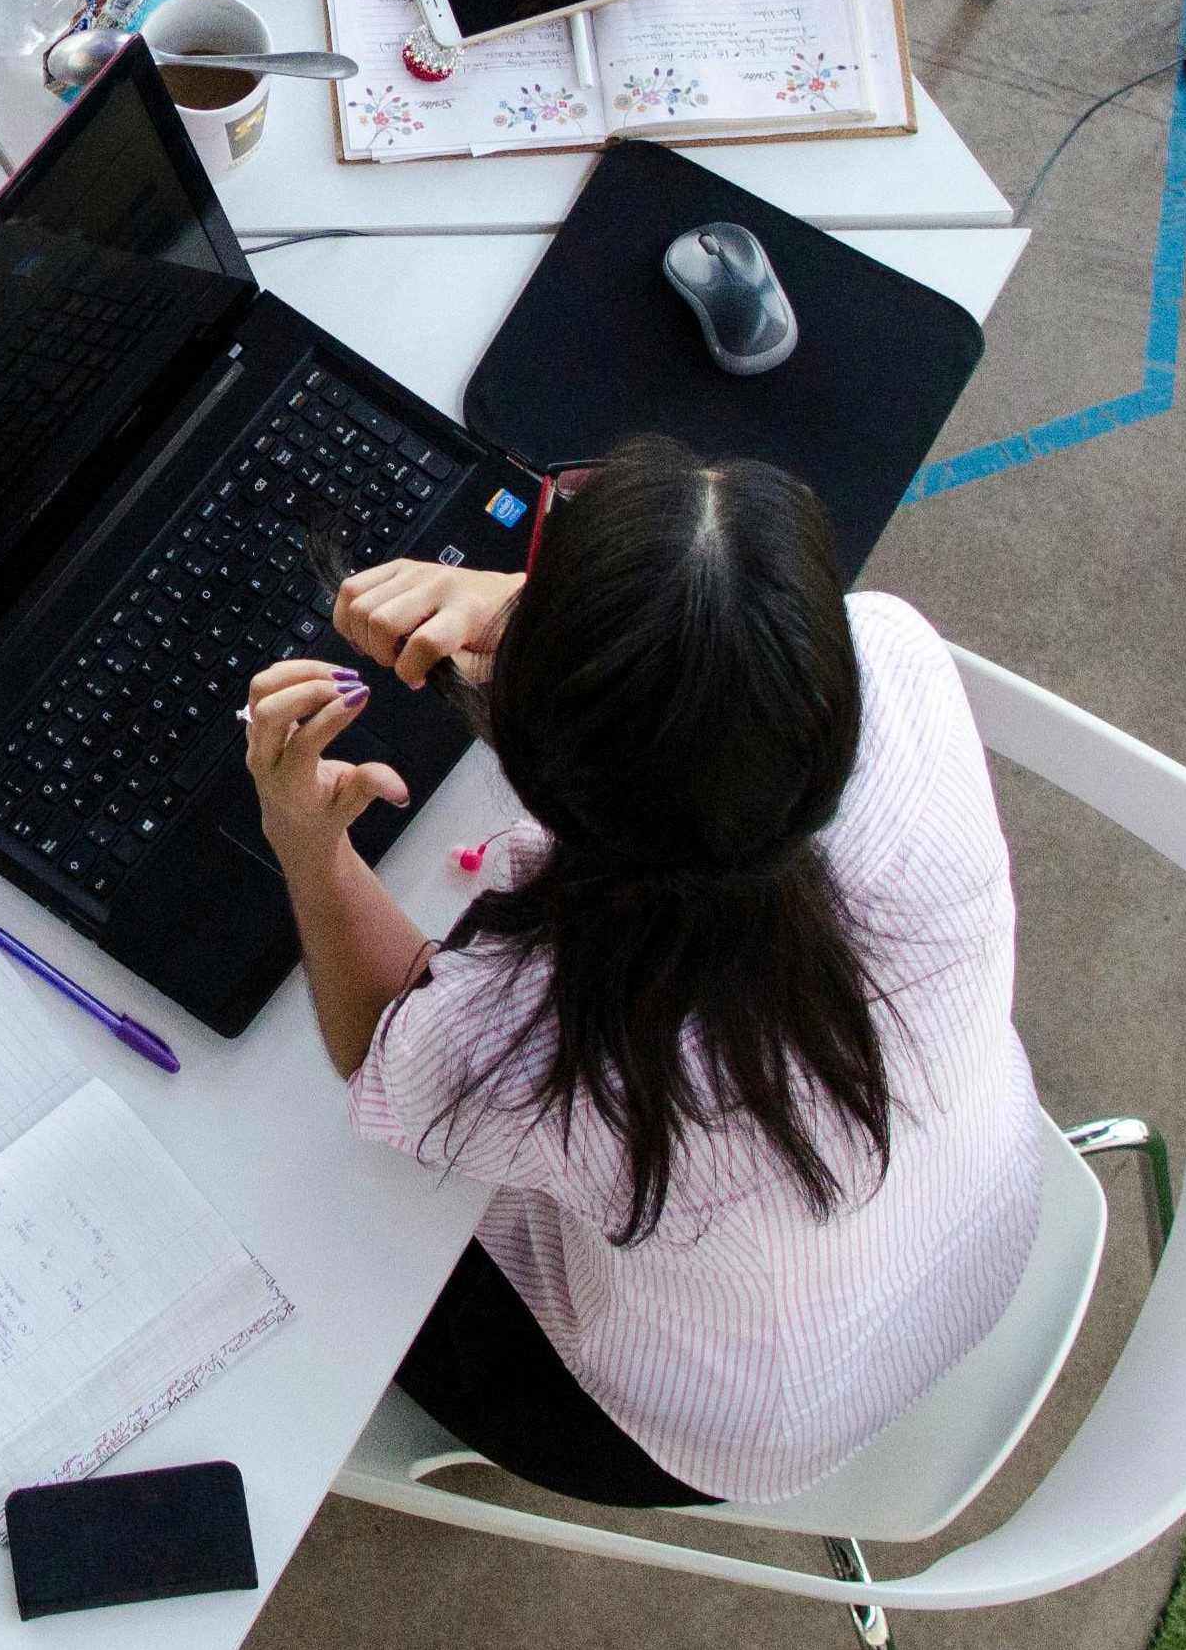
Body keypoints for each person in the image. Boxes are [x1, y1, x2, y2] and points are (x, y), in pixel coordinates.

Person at [242, 437, 1043, 1507]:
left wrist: (306, 841)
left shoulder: (538, 1043)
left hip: (697, 1426)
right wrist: (573, 616)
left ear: (535, 773)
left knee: (321, 1202)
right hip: (975, 1234)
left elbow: (382, 1045)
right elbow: (731, 684)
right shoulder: (892, 659)